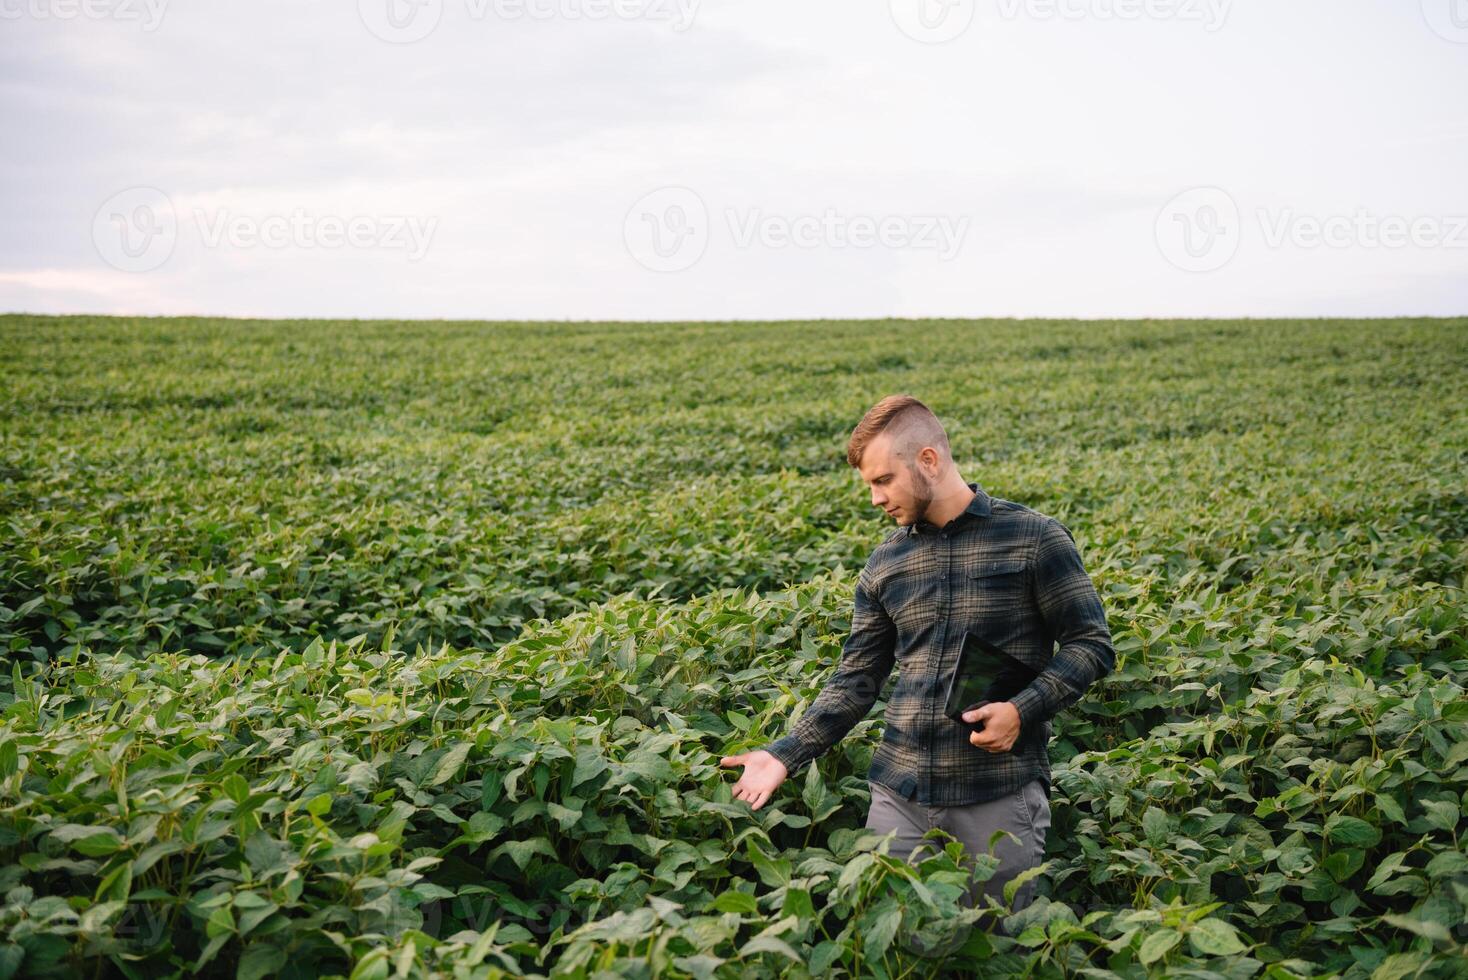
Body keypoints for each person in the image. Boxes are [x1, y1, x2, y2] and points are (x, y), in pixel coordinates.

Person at [718, 393, 1115, 935]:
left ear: (928, 460)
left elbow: (1091, 644)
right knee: (893, 947)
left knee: (997, 952)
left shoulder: (1033, 539)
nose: (876, 498)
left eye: (884, 480)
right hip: (896, 798)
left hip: (995, 798)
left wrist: (1022, 710)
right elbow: (856, 680)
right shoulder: (885, 563)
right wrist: (784, 754)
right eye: (870, 486)